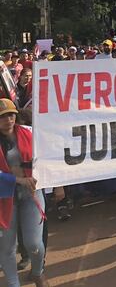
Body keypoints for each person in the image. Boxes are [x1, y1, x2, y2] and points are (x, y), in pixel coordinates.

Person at [0, 99, 48, 287]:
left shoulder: (30, 133)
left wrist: (59, 185)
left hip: (31, 195)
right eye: (2, 117)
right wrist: (18, 180)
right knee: (7, 248)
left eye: (11, 115)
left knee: (34, 244)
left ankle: (37, 272)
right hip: (4, 199)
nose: (8, 119)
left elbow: (47, 156)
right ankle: (13, 284)